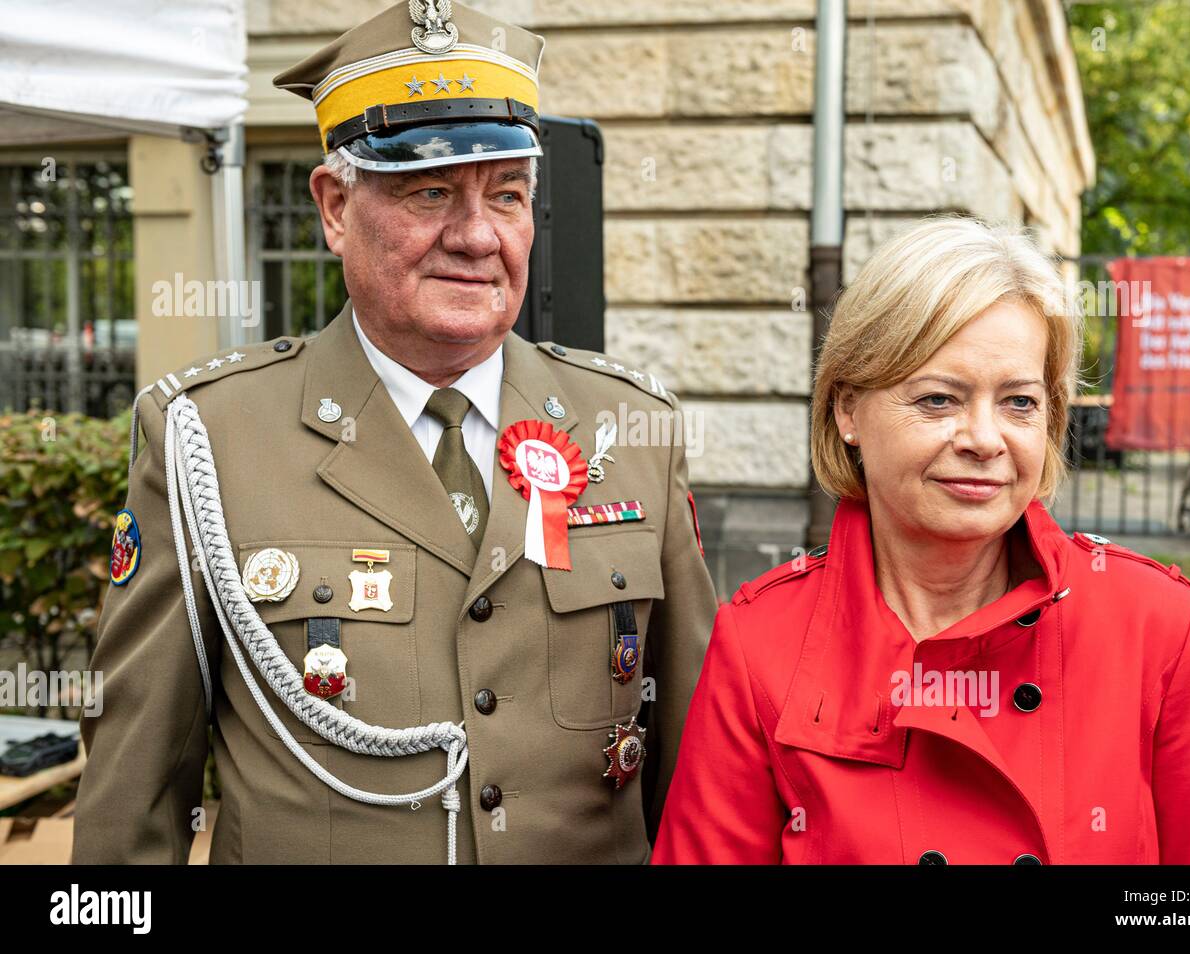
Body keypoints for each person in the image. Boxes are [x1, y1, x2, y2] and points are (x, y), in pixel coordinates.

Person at [72, 0, 716, 864]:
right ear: (336, 208)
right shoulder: (209, 441)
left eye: (509, 196)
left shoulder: (632, 430)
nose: (478, 235)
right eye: (430, 191)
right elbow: (134, 797)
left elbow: (704, 779)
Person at [652, 216, 1190, 864]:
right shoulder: (762, 642)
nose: (984, 438)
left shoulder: (1154, 621)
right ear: (848, 409)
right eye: (939, 400)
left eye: (1019, 402)